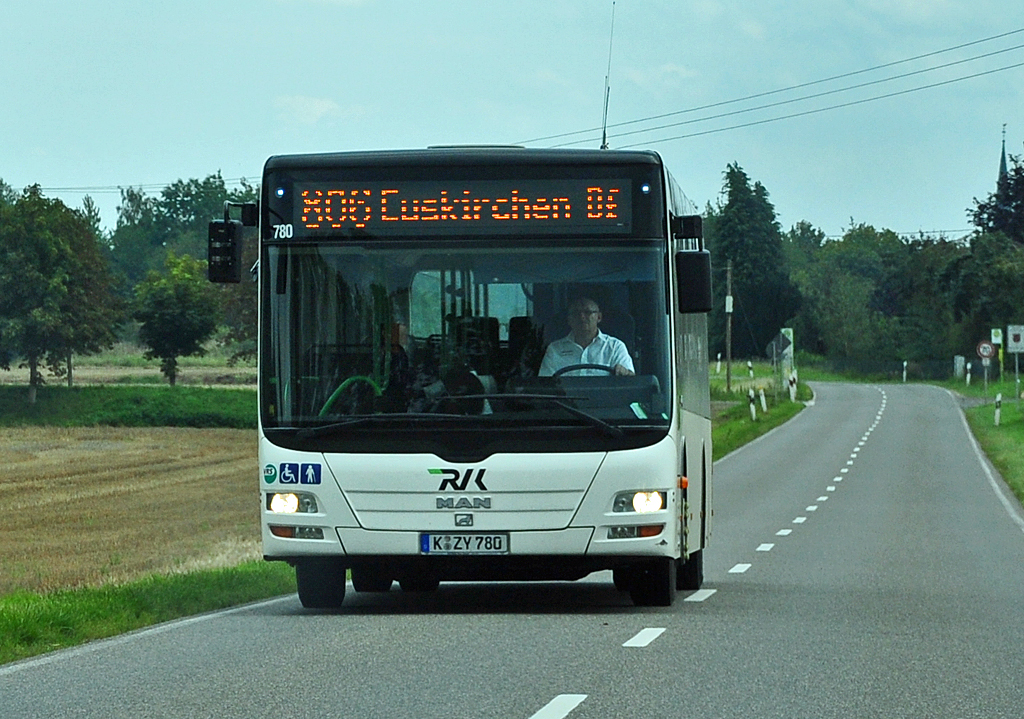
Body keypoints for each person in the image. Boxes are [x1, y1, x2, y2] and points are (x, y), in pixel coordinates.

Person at [539, 297, 635, 377]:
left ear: (599, 317)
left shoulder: (615, 347)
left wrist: (625, 373)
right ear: (569, 320)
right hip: (564, 399)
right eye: (576, 313)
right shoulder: (555, 349)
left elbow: (629, 381)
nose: (582, 317)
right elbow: (546, 385)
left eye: (587, 312)